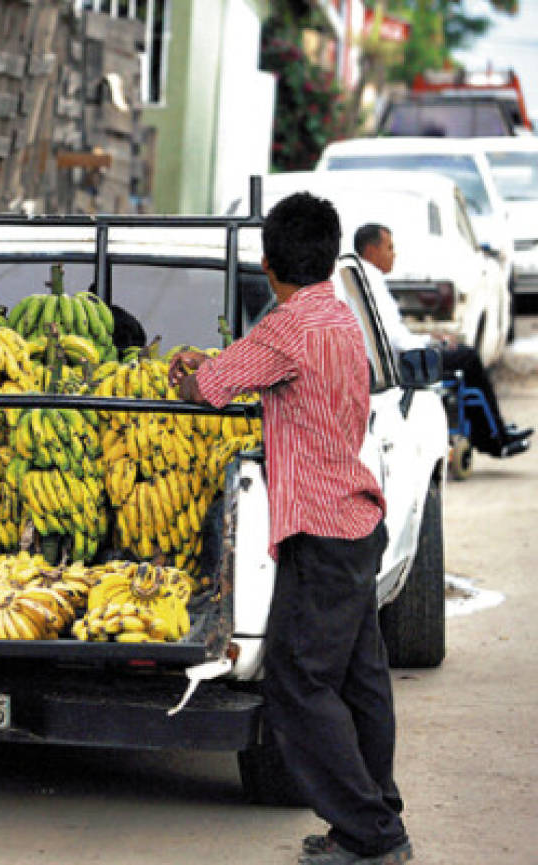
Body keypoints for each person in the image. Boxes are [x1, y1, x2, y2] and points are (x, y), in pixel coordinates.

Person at [169, 194, 412, 865]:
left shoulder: (286, 327)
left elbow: (211, 388)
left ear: (269, 263)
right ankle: (373, 814)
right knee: (359, 683)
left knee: (298, 684)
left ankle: (371, 834)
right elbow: (256, 370)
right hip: (358, 522)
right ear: (332, 257)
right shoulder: (336, 317)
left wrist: (192, 373)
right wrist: (216, 361)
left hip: (322, 533)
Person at [354, 222, 531, 458]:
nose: (394, 254)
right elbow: (397, 340)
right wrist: (432, 343)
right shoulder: (371, 282)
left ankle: (493, 430)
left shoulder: (359, 278)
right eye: (389, 248)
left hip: (394, 357)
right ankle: (494, 438)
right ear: (371, 250)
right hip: (402, 363)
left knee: (462, 357)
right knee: (468, 357)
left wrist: (430, 338)